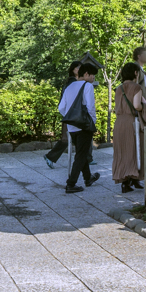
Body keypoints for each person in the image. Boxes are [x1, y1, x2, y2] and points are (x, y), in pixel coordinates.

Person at [112, 62, 146, 194]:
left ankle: (126, 182)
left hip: (119, 122)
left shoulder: (119, 88)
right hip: (132, 122)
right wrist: (145, 107)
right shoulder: (136, 87)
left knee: (122, 151)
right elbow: (137, 105)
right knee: (135, 149)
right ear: (136, 73)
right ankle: (135, 176)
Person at [58, 62, 100, 193]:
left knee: (81, 152)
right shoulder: (87, 86)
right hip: (84, 125)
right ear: (86, 74)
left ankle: (88, 178)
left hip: (72, 126)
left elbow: (61, 108)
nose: (94, 78)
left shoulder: (69, 87)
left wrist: (71, 118)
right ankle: (71, 183)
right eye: (93, 75)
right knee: (81, 155)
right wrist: (92, 122)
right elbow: (90, 107)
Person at [45, 61, 80, 169]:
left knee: (73, 139)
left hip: (70, 115)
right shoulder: (72, 83)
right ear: (73, 70)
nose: (80, 70)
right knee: (69, 139)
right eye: (78, 68)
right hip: (71, 115)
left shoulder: (72, 82)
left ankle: (86, 159)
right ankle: (50, 157)